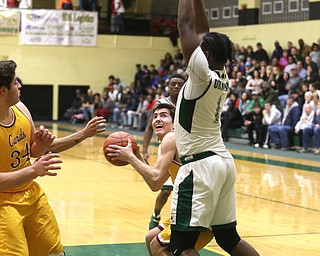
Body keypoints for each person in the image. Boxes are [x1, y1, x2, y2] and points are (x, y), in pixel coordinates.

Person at [170, 1, 260, 255]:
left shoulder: (200, 76)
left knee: (181, 246)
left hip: (200, 166)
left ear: (205, 55)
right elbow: (202, 33)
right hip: (222, 162)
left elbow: (186, 26)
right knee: (228, 238)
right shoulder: (221, 77)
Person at [0, 60, 106, 255]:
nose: (19, 85)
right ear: (3, 91)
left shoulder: (21, 109)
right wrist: (33, 170)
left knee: (54, 252)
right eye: (15, 82)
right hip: (3, 203)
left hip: (31, 194)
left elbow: (34, 151)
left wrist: (44, 143)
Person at [106, 103, 213, 256]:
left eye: (163, 115)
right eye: (155, 116)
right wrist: (135, 157)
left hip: (198, 204)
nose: (157, 119)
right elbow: (155, 184)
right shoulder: (172, 141)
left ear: (175, 121)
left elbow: (155, 179)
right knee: (150, 237)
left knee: (161, 246)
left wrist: (130, 157)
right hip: (198, 202)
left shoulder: (172, 138)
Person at [142, 73, 186, 230]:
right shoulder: (161, 103)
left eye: (179, 84)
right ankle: (156, 214)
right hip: (167, 147)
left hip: (183, 149)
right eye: (173, 83)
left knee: (175, 187)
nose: (176, 86)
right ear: (168, 86)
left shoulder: (187, 103)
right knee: (166, 188)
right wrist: (144, 149)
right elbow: (149, 128)